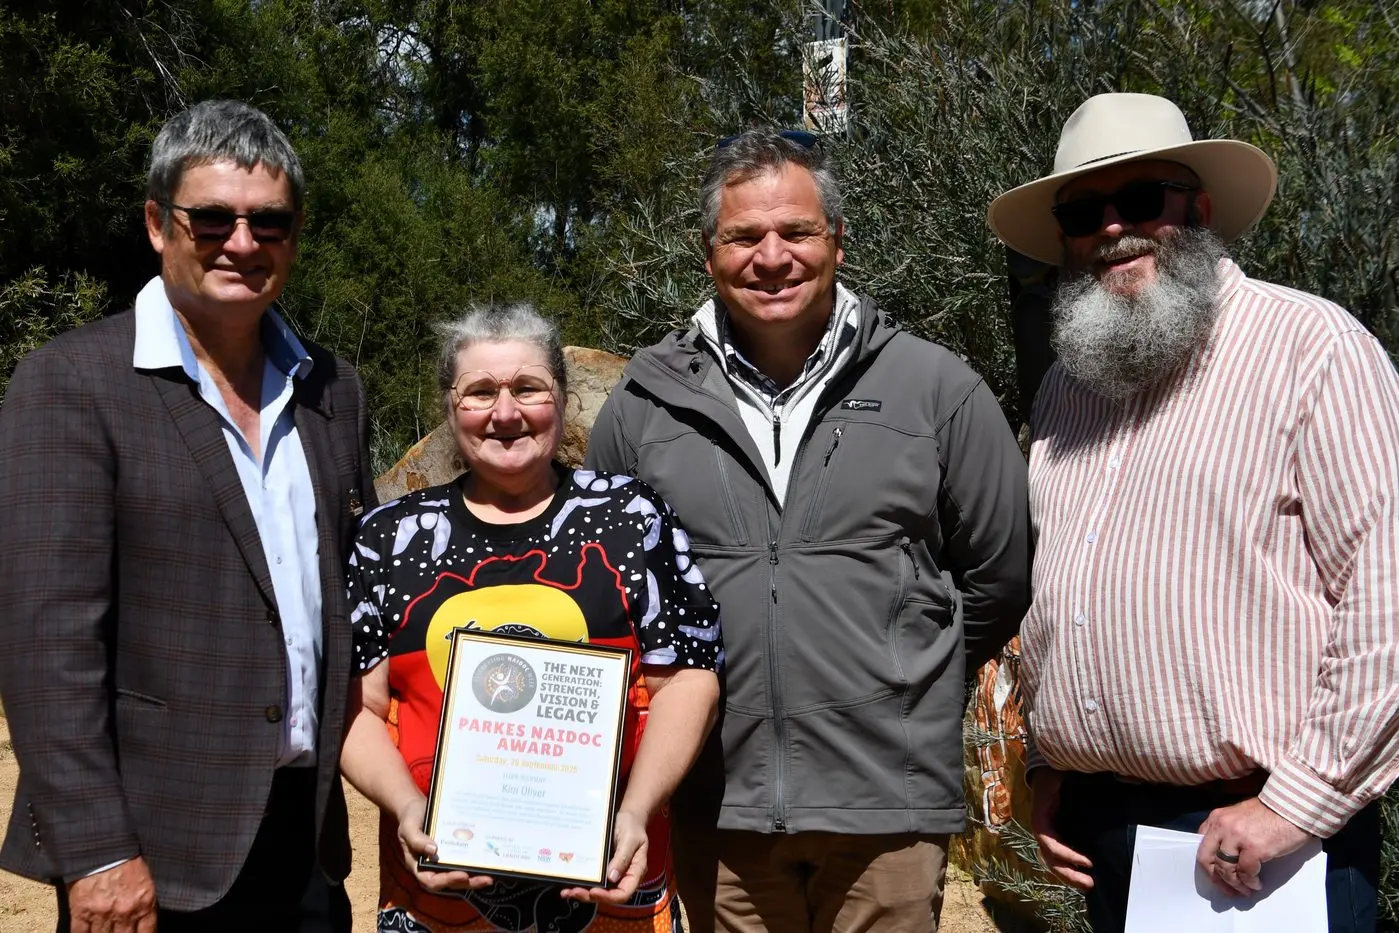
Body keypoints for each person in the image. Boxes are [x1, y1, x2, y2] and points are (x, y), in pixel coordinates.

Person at [586, 129, 1030, 933]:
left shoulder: (935, 390)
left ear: (837, 240)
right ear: (707, 250)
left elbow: (997, 577)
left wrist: (901, 673)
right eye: (743, 235)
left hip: (885, 807)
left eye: (795, 231)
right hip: (715, 801)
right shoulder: (642, 404)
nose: (771, 255)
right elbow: (608, 594)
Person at [987, 92, 1399, 933]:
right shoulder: (1068, 389)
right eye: (1082, 210)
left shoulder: (1312, 349)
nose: (1112, 227)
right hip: (1103, 834)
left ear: (1199, 211)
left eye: (1141, 201)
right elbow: (1058, 596)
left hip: (1265, 842)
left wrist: (1298, 804)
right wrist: (1050, 768)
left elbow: (1386, 601)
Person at [0, 100, 375, 931]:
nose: (242, 243)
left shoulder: (333, 392)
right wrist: (96, 850)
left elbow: (362, 605)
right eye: (211, 218)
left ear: (295, 233)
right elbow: (45, 645)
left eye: (268, 222)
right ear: (156, 223)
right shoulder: (73, 385)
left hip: (304, 842)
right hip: (151, 856)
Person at [339, 302, 722, 933]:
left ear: (563, 400)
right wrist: (406, 807)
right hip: (439, 899)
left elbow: (688, 676)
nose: (506, 412)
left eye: (529, 388)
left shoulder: (631, 518)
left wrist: (636, 810)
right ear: (448, 407)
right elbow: (358, 704)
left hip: (612, 887)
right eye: (480, 392)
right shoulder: (391, 537)